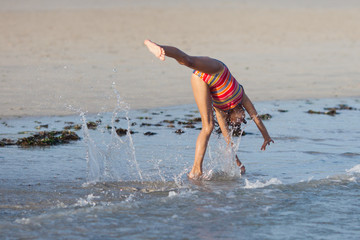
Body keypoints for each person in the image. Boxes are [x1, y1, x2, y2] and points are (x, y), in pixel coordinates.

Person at [144, 39, 274, 179]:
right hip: (217, 70)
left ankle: (196, 170)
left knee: (208, 127)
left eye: (239, 122)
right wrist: (266, 137)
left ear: (231, 120)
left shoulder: (220, 112)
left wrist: (238, 164)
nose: (243, 119)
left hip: (200, 81)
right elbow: (256, 118)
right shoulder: (242, 97)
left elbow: (229, 144)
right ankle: (160, 48)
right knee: (188, 61)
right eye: (243, 119)